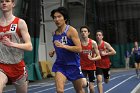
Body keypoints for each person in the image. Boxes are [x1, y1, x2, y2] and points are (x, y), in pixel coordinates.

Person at [49, 7, 87, 93]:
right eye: (54, 17)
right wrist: (53, 51)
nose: (56, 19)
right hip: (60, 65)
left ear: (65, 18)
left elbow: (79, 49)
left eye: (59, 17)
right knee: (59, 90)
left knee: (79, 90)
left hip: (73, 64)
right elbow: (58, 46)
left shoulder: (71, 31)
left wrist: (64, 46)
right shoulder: (54, 33)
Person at [0, 0, 33, 93]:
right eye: (1, 1)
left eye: (7, 1)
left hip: (17, 66)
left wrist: (12, 44)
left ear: (13, 4)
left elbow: (29, 46)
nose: (4, 3)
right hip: (2, 65)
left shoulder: (20, 22)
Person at [79, 25, 101, 93]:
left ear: (88, 33)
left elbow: (99, 56)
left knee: (91, 88)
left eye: (85, 31)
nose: (83, 33)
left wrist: (92, 59)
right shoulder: (78, 43)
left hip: (91, 67)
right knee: (83, 84)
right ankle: (87, 84)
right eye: (82, 31)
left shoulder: (93, 43)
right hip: (82, 67)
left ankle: (89, 85)